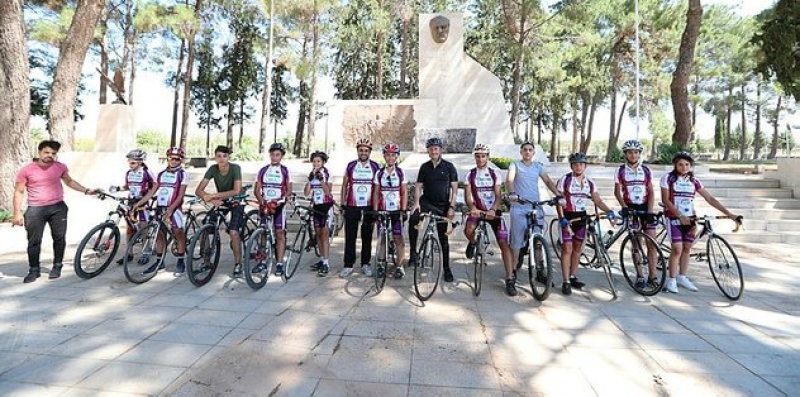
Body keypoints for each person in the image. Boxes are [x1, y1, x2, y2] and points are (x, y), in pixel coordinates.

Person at [13, 140, 99, 283]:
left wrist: (87, 191)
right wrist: (16, 213)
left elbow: (69, 182)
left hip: (58, 207)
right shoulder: (27, 170)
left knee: (59, 238)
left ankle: (57, 266)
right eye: (46, 152)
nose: (50, 155)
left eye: (53, 153)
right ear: (39, 152)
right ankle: (34, 270)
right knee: (34, 241)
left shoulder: (60, 167)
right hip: (35, 209)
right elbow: (19, 191)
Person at [660, 151, 739, 293]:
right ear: (675, 165)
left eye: (687, 165)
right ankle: (671, 280)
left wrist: (729, 214)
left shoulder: (694, 181)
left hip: (691, 219)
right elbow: (666, 200)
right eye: (680, 164)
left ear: (690, 166)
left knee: (687, 248)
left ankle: (682, 277)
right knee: (677, 249)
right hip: (673, 218)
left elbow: (710, 199)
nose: (684, 167)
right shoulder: (668, 178)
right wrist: (679, 216)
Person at [556, 153, 616, 296]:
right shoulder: (565, 180)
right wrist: (561, 218)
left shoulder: (590, 183)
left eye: (581, 164)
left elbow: (598, 201)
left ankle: (572, 275)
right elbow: (559, 200)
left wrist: (609, 211)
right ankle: (565, 281)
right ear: (571, 166)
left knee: (577, 250)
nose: (578, 167)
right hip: (568, 217)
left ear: (585, 166)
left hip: (582, 218)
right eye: (576, 164)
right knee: (567, 249)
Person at [505, 142, 559, 290]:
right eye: (525, 150)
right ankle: (512, 273)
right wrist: (512, 193)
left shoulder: (538, 167)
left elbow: (547, 181)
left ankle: (541, 271)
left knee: (538, 241)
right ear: (521, 152)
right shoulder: (515, 165)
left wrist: (558, 195)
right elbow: (509, 180)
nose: (527, 152)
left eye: (530, 150)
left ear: (533, 152)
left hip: (535, 206)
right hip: (519, 207)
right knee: (516, 242)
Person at [463, 143, 516, 295]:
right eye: (478, 156)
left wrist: (493, 209)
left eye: (483, 156)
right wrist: (472, 207)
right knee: (468, 230)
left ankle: (510, 279)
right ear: (475, 157)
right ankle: (473, 243)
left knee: (503, 244)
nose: (480, 159)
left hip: (493, 211)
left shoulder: (495, 174)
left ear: (487, 157)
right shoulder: (470, 174)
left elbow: (498, 195)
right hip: (477, 210)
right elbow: (468, 196)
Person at [409, 137, 459, 282]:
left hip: (443, 205)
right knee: (413, 218)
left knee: (444, 238)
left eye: (436, 148)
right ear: (428, 151)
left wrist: (452, 207)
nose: (433, 151)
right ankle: (413, 252)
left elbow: (454, 190)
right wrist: (417, 202)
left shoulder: (449, 167)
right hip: (426, 202)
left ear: (440, 150)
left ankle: (447, 268)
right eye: (431, 149)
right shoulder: (424, 167)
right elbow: (418, 186)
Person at [134, 147, 189, 277]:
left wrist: (171, 209)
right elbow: (152, 192)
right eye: (171, 158)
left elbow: (181, 195)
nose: (173, 161)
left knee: (178, 232)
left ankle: (181, 260)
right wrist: (139, 203)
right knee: (159, 233)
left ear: (181, 160)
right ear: (167, 159)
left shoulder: (182, 174)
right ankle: (160, 262)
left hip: (174, 208)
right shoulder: (161, 174)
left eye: (177, 159)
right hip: (160, 207)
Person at [195, 145, 245, 278]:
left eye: (225, 156)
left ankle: (238, 264)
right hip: (220, 200)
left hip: (236, 200)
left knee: (234, 232)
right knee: (205, 228)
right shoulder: (213, 169)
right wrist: (211, 199)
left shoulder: (235, 168)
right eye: (219, 156)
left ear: (229, 157)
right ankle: (206, 262)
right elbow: (199, 190)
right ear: (215, 157)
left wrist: (214, 195)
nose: (222, 159)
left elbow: (236, 190)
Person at [614, 139, 658, 289]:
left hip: (645, 207)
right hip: (631, 207)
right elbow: (617, 192)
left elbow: (651, 191)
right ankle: (640, 276)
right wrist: (625, 207)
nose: (633, 155)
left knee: (652, 243)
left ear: (639, 154)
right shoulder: (620, 170)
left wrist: (650, 211)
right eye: (630, 152)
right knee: (636, 244)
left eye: (636, 152)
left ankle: (653, 277)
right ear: (625, 154)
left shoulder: (646, 170)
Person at [339, 138, 380, 278]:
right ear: (357, 151)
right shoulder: (351, 165)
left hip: (368, 206)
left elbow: (378, 187)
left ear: (370, 152)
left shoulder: (375, 166)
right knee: (350, 236)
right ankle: (348, 264)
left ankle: (365, 263)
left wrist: (377, 206)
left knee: (367, 236)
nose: (363, 152)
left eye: (366, 150)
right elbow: (345, 185)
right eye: (361, 150)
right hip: (352, 205)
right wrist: (342, 202)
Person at [254, 143, 292, 276]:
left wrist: (281, 200)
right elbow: (257, 189)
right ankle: (262, 261)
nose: (275, 157)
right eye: (273, 154)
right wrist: (262, 202)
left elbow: (289, 190)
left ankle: (280, 262)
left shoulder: (285, 171)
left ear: (281, 156)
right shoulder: (263, 170)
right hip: (264, 205)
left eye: (278, 155)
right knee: (263, 233)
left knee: (279, 233)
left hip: (279, 206)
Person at [372, 142, 408, 279]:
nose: (390, 158)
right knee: (382, 238)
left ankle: (399, 266)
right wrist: (375, 210)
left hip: (396, 210)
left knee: (398, 237)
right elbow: (376, 192)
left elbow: (404, 192)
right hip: (383, 209)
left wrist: (403, 210)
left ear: (397, 157)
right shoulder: (379, 173)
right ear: (384, 156)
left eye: (393, 155)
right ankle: (381, 263)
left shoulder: (401, 172)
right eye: (387, 155)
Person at [114, 149, 156, 265]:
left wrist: (148, 197)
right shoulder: (129, 173)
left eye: (132, 163)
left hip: (143, 202)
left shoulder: (147, 172)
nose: (130, 165)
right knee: (129, 228)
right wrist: (117, 188)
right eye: (129, 162)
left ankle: (146, 252)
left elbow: (155, 185)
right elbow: (128, 186)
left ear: (140, 162)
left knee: (144, 227)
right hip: (131, 202)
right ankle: (129, 254)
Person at [304, 151, 335, 276]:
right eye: (314, 161)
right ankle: (322, 259)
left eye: (318, 161)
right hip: (316, 205)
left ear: (323, 162)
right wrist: (310, 180)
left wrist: (321, 179)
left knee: (324, 234)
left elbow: (328, 192)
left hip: (326, 206)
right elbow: (306, 192)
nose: (316, 163)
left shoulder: (327, 173)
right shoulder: (312, 174)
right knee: (318, 234)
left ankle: (326, 263)